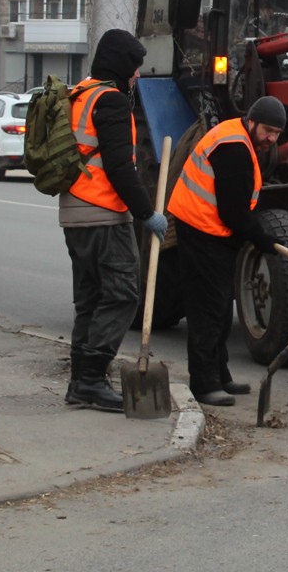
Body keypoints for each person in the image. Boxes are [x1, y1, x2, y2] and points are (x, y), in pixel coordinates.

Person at [60, 29, 168, 413]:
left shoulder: (80, 94)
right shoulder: (111, 101)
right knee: (123, 294)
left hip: (74, 215)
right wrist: (147, 213)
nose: (138, 74)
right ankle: (90, 380)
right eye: (135, 66)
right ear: (121, 64)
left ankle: (80, 382)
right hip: (104, 214)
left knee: (89, 301)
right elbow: (121, 168)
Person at [167, 97, 287, 406]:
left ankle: (220, 375)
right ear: (252, 122)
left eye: (277, 133)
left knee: (220, 308)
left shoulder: (240, 138)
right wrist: (263, 240)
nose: (271, 139)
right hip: (201, 231)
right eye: (268, 131)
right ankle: (204, 384)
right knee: (207, 310)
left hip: (212, 232)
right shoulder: (234, 148)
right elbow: (233, 212)